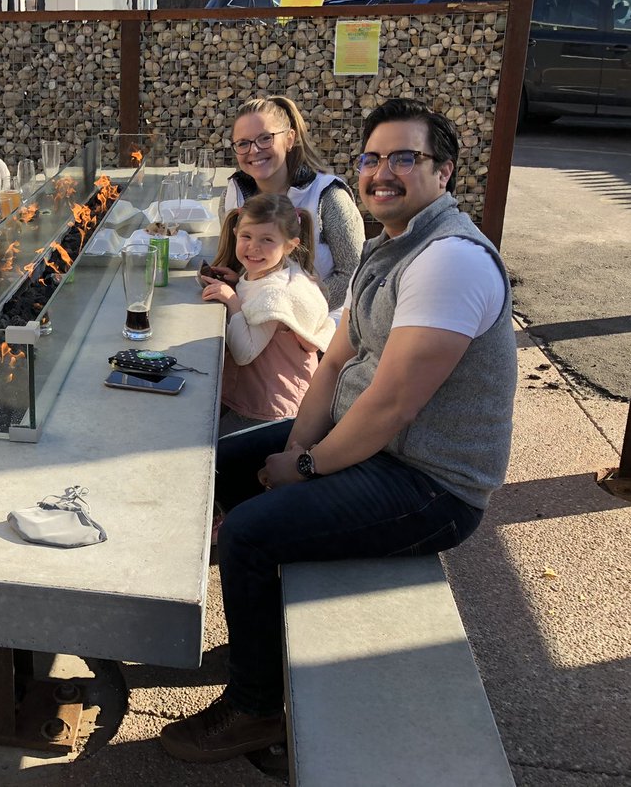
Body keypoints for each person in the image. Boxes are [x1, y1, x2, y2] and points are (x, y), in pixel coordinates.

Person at [161, 98, 517, 763]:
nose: (383, 172)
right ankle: (256, 627)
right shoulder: (391, 248)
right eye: (372, 158)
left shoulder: (450, 261)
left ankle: (256, 708)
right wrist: (296, 445)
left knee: (247, 532)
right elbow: (337, 358)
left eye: (404, 158)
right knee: (213, 465)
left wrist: (302, 469)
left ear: (444, 173)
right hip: (371, 444)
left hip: (429, 483)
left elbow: (390, 410)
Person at [200, 194, 335, 434]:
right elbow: (256, 294)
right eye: (247, 236)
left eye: (267, 239)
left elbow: (244, 353)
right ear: (235, 232)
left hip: (270, 410)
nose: (254, 246)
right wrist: (237, 283)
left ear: (289, 245)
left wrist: (233, 301)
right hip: (262, 396)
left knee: (208, 443)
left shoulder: (275, 295)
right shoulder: (275, 271)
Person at [218, 96, 365, 312]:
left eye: (265, 138)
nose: (254, 150)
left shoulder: (328, 195)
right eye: (243, 143)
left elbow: (355, 274)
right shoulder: (232, 196)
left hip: (319, 331)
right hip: (252, 319)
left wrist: (293, 312)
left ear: (289, 139)